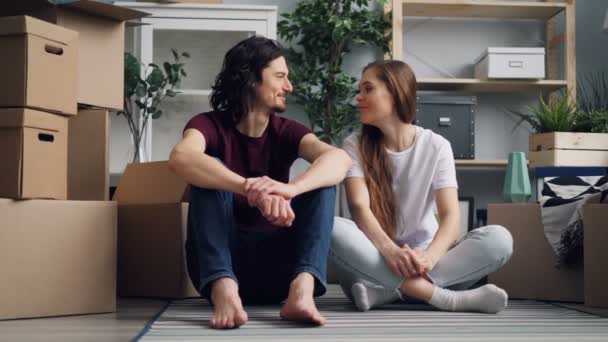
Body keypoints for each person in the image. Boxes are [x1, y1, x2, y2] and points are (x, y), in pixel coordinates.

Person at [168, 36, 352, 329]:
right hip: (221, 268)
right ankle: (226, 293)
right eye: (280, 77)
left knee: (322, 181)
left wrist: (289, 189)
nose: (289, 87)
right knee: (207, 168)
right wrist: (249, 188)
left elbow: (340, 159)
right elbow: (181, 157)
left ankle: (302, 294)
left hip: (281, 270)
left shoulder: (288, 131)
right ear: (251, 78)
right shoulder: (208, 125)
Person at [330, 60, 513, 314]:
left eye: (368, 89)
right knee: (334, 227)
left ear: (395, 93)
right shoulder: (354, 144)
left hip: (425, 263)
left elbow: (450, 217)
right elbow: (359, 208)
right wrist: (391, 252)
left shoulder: (437, 146)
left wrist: (430, 257)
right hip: (373, 260)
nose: (358, 98)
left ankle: (388, 293)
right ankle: (445, 298)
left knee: (499, 239)